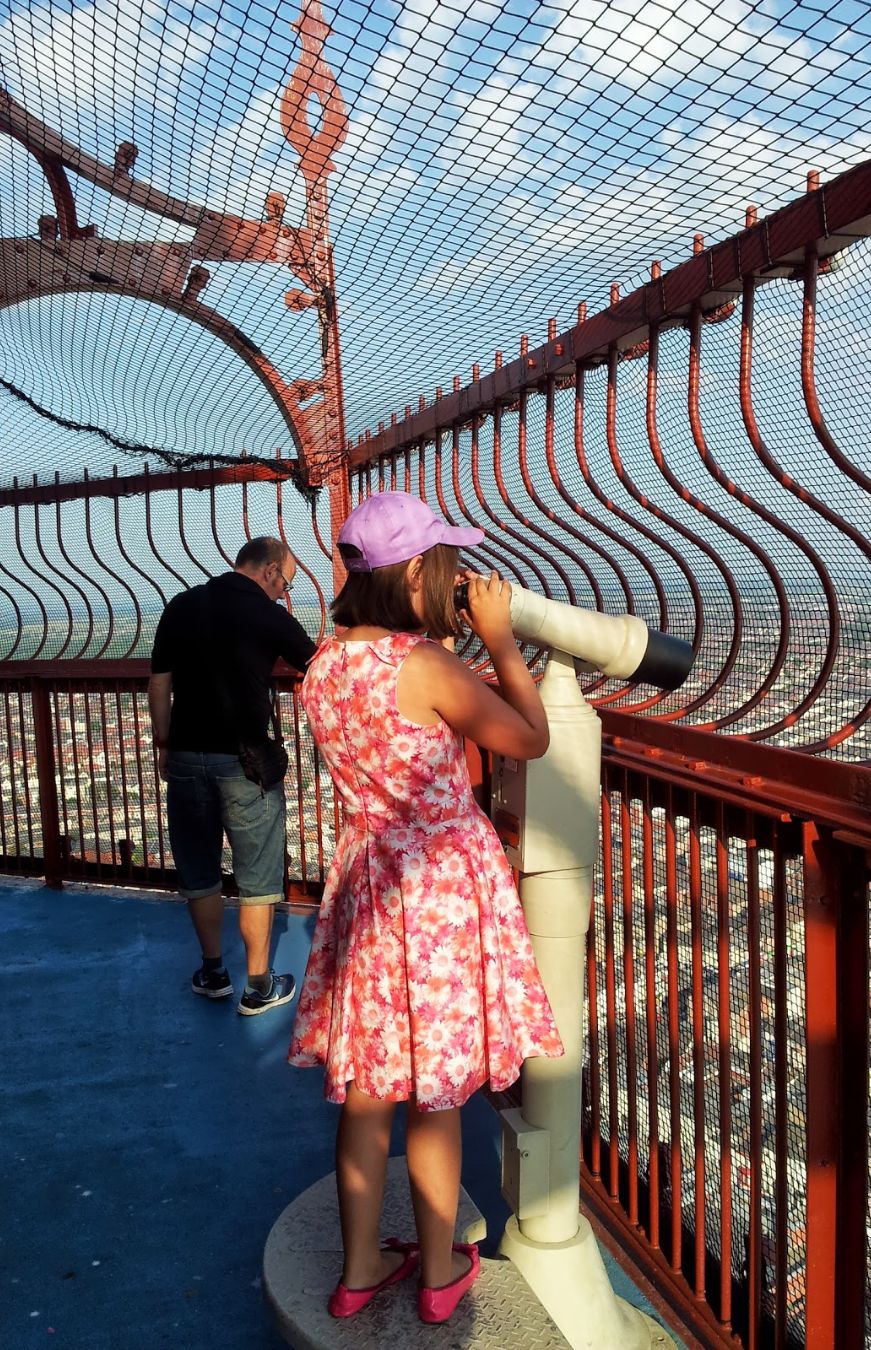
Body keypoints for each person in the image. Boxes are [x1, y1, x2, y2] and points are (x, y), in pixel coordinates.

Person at [287, 492, 563, 1324]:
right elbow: (528, 738)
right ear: (415, 571)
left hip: (370, 882)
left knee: (370, 1088)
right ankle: (442, 1272)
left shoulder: (325, 666)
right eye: (441, 562)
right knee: (434, 1095)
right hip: (438, 889)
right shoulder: (428, 666)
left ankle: (361, 1266)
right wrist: (503, 641)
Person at [148, 536, 316, 1016]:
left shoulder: (182, 605)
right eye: (285, 584)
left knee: (199, 868)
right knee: (258, 873)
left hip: (184, 755)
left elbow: (159, 682)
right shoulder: (268, 615)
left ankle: (214, 970)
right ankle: (259, 985)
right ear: (267, 571)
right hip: (244, 761)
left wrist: (165, 745)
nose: (284, 593)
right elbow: (318, 666)